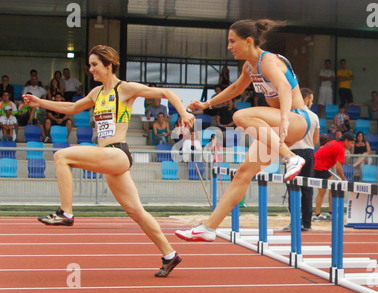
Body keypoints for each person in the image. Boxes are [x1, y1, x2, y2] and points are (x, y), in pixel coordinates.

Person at [23, 45, 195, 277]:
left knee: (61, 155)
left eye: (95, 65)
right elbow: (73, 107)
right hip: (109, 158)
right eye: (90, 65)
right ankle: (169, 254)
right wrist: (40, 103)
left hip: (118, 153)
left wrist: (183, 113)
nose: (91, 69)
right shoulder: (96, 93)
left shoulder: (125, 89)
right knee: (137, 212)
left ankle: (66, 213)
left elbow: (165, 93)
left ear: (108, 65)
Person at [175, 19, 309, 242]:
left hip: (297, 118)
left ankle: (291, 158)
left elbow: (284, 87)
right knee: (242, 174)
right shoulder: (250, 66)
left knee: (240, 115)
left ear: (248, 41)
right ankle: (209, 227)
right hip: (277, 124)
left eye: (232, 41)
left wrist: (285, 118)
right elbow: (236, 88)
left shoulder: (268, 61)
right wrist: (207, 104)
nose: (229, 47)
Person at [284, 88, 320, 232]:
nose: (312, 102)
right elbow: (316, 140)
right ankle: (307, 223)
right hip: (309, 152)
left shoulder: (290, 115)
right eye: (311, 99)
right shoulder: (314, 116)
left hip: (293, 152)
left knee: (293, 188)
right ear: (306, 99)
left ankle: (294, 222)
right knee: (307, 188)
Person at [313, 132, 354, 221]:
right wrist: (344, 179)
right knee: (332, 188)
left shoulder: (334, 142)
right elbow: (338, 167)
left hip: (317, 165)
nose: (351, 145)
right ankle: (328, 214)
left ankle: (320, 214)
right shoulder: (340, 148)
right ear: (346, 141)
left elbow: (321, 148)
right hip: (319, 167)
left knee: (323, 190)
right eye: (351, 143)